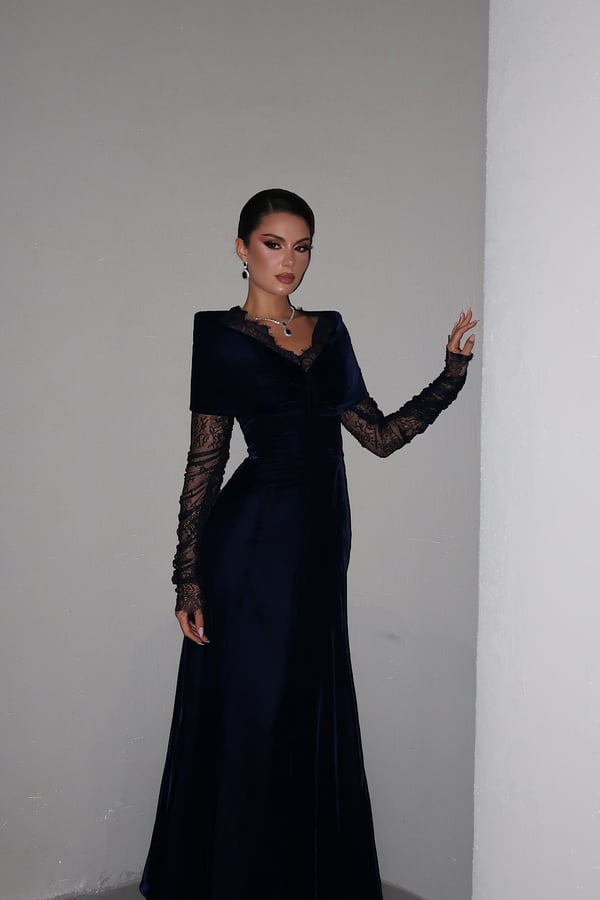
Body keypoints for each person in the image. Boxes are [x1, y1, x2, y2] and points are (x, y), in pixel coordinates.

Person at [140, 188, 476, 900]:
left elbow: (377, 436)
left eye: (301, 247)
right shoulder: (217, 336)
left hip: (319, 546)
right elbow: (205, 462)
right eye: (273, 244)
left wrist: (451, 374)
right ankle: (232, 881)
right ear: (242, 249)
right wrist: (187, 576)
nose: (288, 260)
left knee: (302, 707)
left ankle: (298, 879)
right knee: (252, 708)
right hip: (251, 546)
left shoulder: (330, 332)